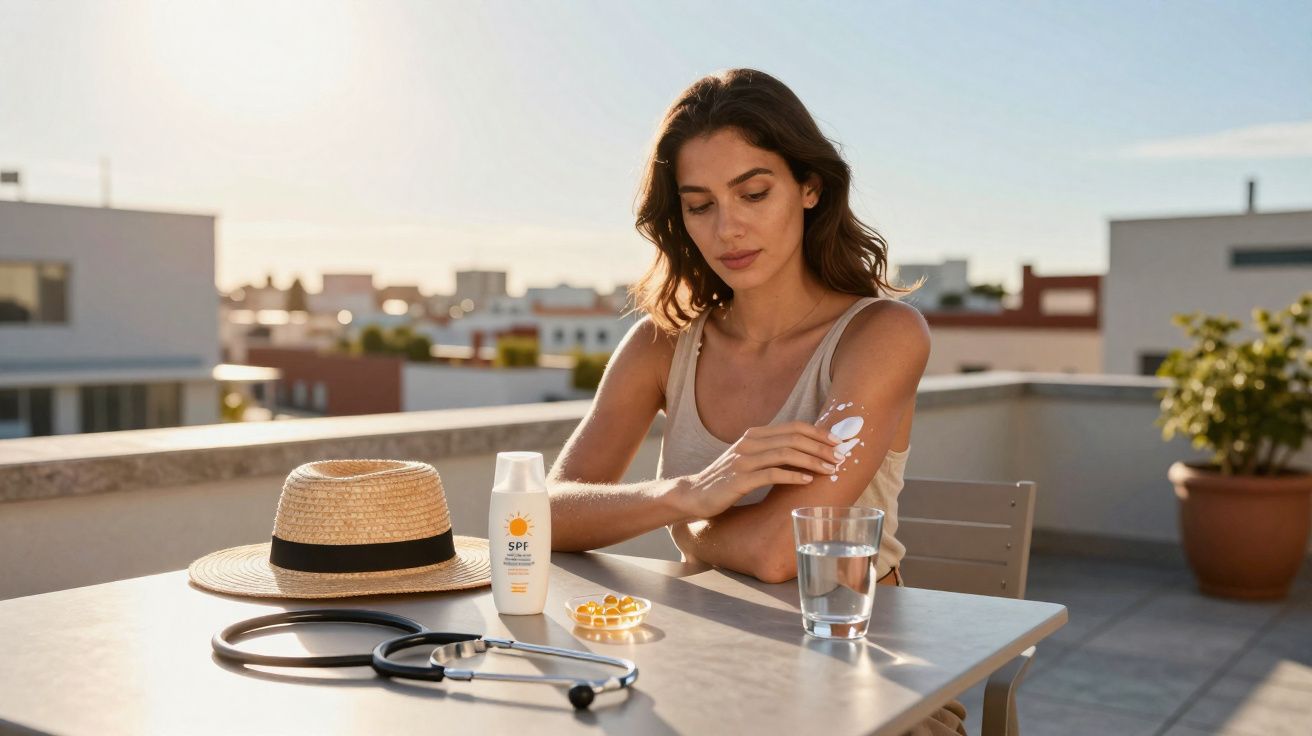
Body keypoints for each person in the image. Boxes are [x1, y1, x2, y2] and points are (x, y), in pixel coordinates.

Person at [549, 67, 960, 735]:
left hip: (869, 677)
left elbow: (780, 553)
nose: (728, 228)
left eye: (753, 192)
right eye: (700, 203)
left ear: (808, 186)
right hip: (703, 658)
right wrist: (686, 492)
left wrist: (694, 530)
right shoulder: (663, 343)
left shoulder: (882, 335)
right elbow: (539, 513)